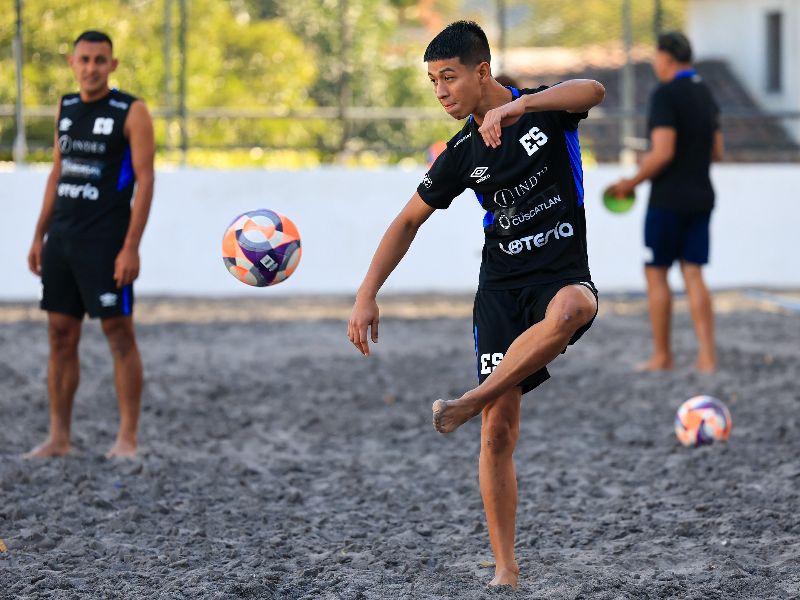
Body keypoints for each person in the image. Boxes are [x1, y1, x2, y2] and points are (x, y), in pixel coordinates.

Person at [348, 21, 604, 588]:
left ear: (480, 71)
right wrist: (367, 294)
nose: (440, 90)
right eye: (433, 81)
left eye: (449, 77)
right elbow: (407, 221)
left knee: (573, 311)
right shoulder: (461, 151)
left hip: (560, 275)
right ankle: (506, 569)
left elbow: (593, 90)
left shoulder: (543, 111)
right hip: (501, 293)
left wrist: (515, 109)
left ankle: (468, 401)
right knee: (498, 433)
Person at [25, 30, 155, 459]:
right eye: (84, 59)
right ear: (72, 62)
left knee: (119, 334)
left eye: (101, 60)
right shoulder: (66, 106)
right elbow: (56, 173)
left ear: (113, 65)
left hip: (106, 242)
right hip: (63, 238)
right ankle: (59, 437)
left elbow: (145, 180)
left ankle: (128, 439)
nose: (92, 67)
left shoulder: (131, 111)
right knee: (60, 336)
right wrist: (40, 234)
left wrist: (130, 247)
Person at [609, 31, 723, 374]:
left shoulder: (665, 94)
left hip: (668, 200)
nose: (655, 64)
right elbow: (716, 150)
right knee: (694, 273)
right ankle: (707, 358)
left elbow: (662, 153)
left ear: (668, 58)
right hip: (702, 195)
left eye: (656, 57)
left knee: (656, 272)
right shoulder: (706, 93)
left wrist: (629, 183)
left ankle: (662, 355)